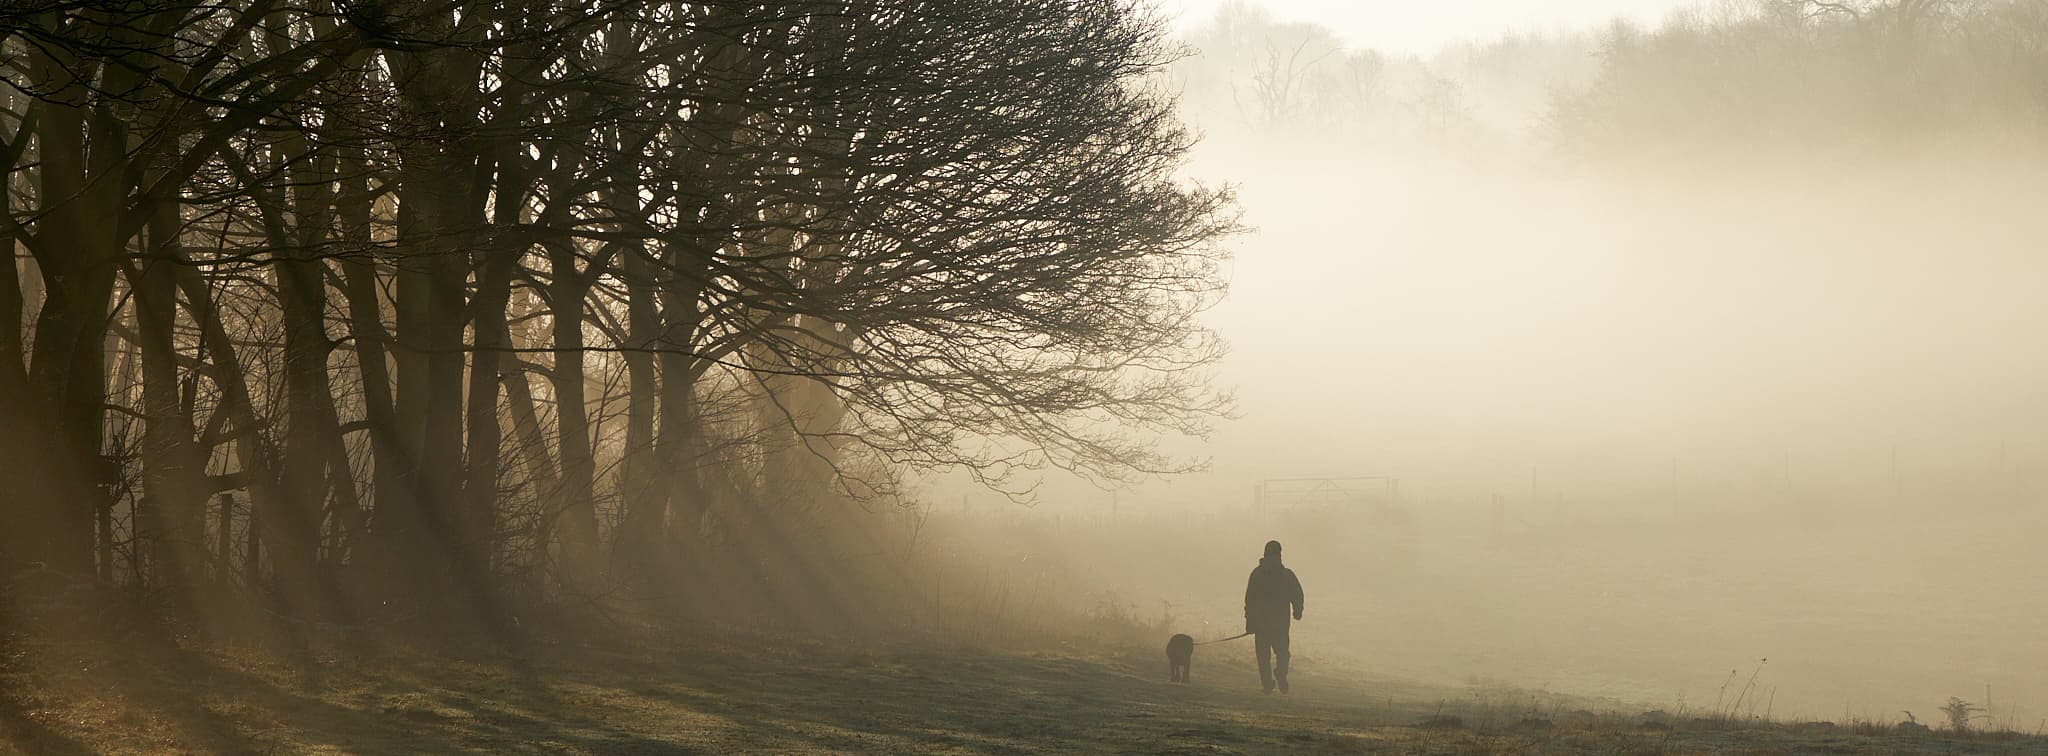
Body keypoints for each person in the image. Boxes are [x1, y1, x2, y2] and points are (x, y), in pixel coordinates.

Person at [1243, 539, 1305, 694]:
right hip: (1280, 624)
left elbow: (1249, 599)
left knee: (1263, 656)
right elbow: (1297, 594)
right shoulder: (1286, 575)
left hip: (1261, 624)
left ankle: (1267, 684)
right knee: (1283, 652)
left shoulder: (1257, 574)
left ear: (1265, 553)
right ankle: (1281, 672)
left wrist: (1250, 622)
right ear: (1279, 554)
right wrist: (1297, 611)